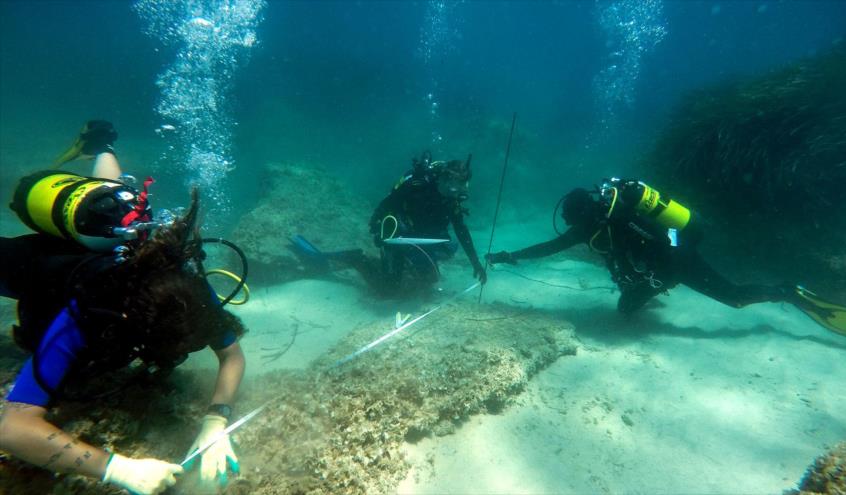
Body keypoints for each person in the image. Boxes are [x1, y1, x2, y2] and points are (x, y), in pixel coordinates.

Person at [0, 121, 248, 495]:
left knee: (121, 204)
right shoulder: (86, 314)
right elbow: (13, 427)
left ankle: (101, 146)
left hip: (111, 229)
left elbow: (231, 355)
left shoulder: (188, 287)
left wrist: (216, 421)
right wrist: (115, 468)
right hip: (29, 266)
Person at [485, 178, 846, 344]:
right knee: (626, 300)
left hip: (676, 262)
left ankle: (788, 292)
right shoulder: (604, 219)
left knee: (734, 297)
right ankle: (647, 291)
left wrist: (657, 280)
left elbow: (551, 246)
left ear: (581, 215)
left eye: (573, 221)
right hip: (666, 261)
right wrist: (507, 256)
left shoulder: (611, 222)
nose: (573, 228)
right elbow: (550, 247)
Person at [293, 151, 486, 297]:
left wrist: (476, 263)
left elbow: (461, 230)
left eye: (461, 187)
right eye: (452, 186)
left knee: (428, 282)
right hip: (399, 238)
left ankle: (405, 263)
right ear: (443, 178)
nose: (455, 192)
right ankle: (356, 259)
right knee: (388, 291)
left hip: (422, 240)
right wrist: (378, 228)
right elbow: (387, 204)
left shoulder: (452, 200)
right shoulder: (416, 185)